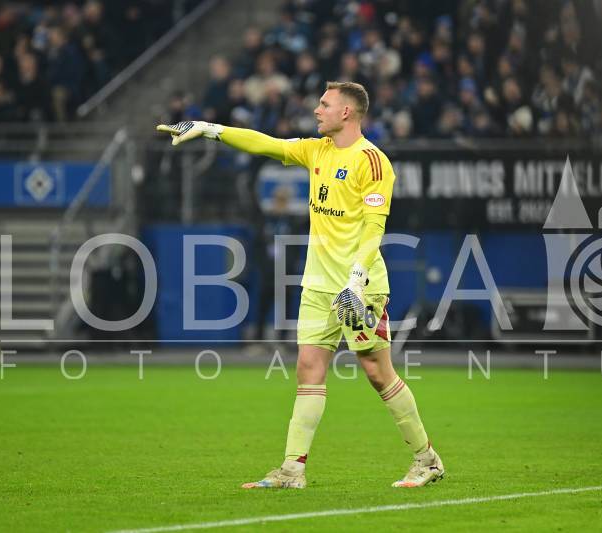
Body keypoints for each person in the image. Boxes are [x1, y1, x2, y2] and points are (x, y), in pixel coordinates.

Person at [157, 81, 444, 489]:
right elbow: (265, 143)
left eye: (324, 104)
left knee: (377, 372)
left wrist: (356, 281)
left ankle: (426, 460)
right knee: (308, 369)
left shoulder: (372, 161)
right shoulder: (316, 150)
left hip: (358, 287)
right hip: (318, 285)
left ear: (346, 112)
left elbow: (374, 228)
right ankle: (292, 470)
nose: (316, 110)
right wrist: (209, 128)